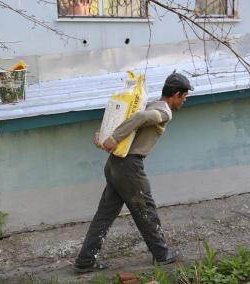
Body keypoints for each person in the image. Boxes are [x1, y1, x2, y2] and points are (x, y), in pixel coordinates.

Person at [73, 71, 194, 273]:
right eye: (184, 97)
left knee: (104, 215)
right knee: (146, 210)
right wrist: (114, 137)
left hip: (114, 165)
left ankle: (85, 260)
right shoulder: (163, 112)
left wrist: (104, 135)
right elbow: (140, 117)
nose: (184, 101)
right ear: (176, 95)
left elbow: (125, 117)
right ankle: (162, 255)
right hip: (129, 168)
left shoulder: (151, 103)